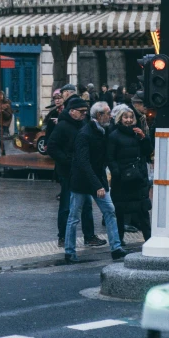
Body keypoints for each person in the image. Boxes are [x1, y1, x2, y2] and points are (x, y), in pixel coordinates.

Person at [64, 101, 129, 264]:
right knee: (74, 216)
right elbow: (83, 163)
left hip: (96, 179)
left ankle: (116, 248)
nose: (111, 116)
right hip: (82, 181)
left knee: (110, 210)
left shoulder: (104, 130)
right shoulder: (85, 134)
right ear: (99, 115)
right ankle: (69, 251)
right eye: (108, 113)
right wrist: (98, 185)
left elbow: (103, 158)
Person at [47, 96, 105, 249]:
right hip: (67, 172)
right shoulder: (62, 126)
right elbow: (52, 147)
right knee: (66, 205)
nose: (84, 114)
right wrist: (67, 160)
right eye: (81, 111)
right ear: (72, 111)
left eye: (86, 111)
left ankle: (89, 236)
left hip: (83, 171)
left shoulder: (84, 124)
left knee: (86, 205)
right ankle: (63, 237)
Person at [107, 104, 152, 245]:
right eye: (125, 117)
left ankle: (149, 239)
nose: (128, 120)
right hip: (122, 180)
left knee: (142, 210)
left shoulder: (137, 133)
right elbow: (110, 157)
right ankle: (119, 241)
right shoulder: (114, 135)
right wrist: (117, 173)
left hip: (137, 178)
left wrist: (144, 138)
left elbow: (147, 152)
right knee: (120, 211)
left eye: (131, 117)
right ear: (120, 119)